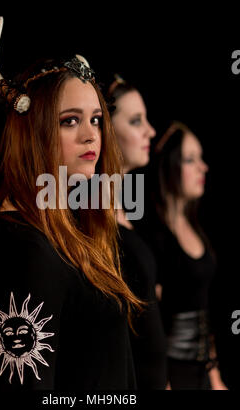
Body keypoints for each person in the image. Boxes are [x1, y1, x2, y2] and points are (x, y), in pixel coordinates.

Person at [0, 11, 144, 396]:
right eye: (70, 121)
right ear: (34, 129)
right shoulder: (23, 249)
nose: (90, 136)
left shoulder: (68, 235)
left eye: (97, 120)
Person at [144, 120, 226, 389]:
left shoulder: (195, 227)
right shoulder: (155, 238)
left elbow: (203, 309)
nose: (203, 167)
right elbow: (150, 325)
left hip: (202, 372)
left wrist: (215, 378)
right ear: (170, 166)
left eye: (200, 158)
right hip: (173, 375)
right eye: (191, 160)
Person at [103, 74, 167, 389]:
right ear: (107, 129)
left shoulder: (129, 214)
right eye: (136, 121)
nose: (150, 131)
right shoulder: (93, 220)